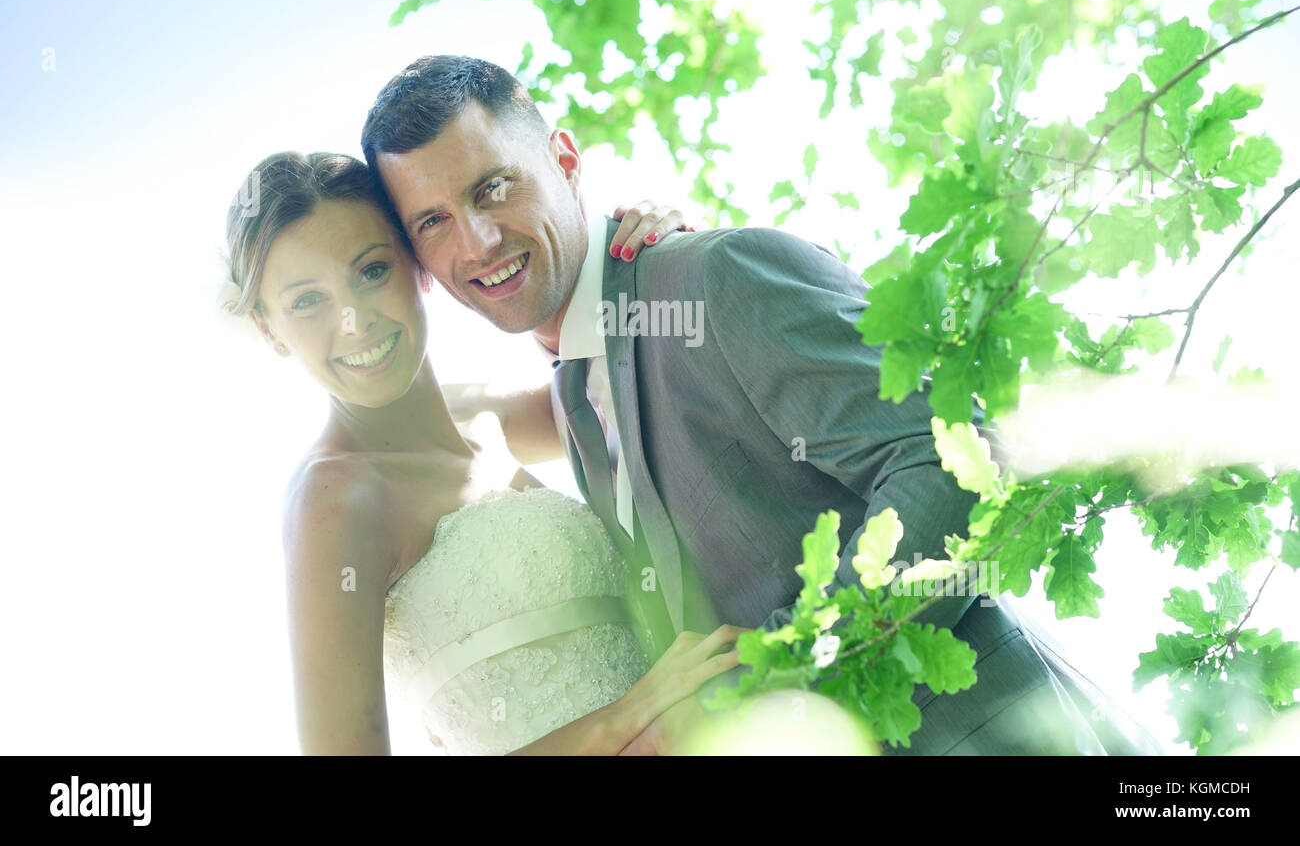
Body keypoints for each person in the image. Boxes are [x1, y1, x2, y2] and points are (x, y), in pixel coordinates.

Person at [359, 55, 1167, 756]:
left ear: (565, 159)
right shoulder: (573, 397)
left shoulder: (717, 276)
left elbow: (952, 459)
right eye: (433, 222)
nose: (476, 241)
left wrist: (787, 673)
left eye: (494, 187)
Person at [220, 150, 743, 754]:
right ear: (267, 327)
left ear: (419, 266)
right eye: (307, 301)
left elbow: (632, 377)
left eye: (370, 271)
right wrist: (626, 716)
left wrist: (654, 253)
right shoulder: (335, 498)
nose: (353, 321)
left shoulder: (486, 414)